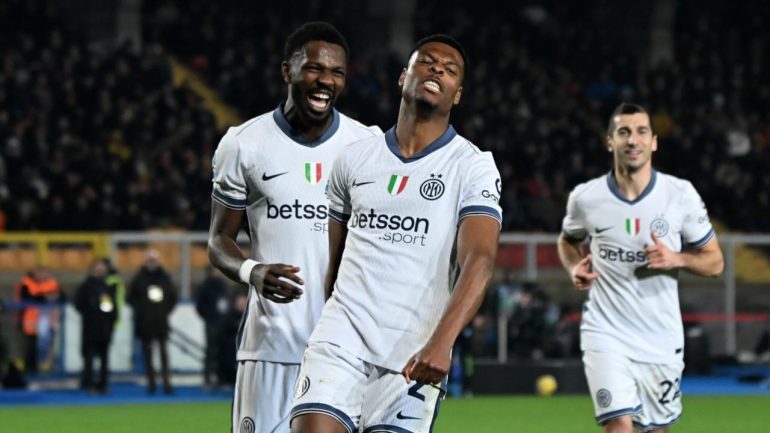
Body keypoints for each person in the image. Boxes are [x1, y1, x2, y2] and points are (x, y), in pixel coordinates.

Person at [291, 34, 502, 433]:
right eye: (427, 61)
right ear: (404, 76)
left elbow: (480, 259)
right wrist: (327, 324)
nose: (437, 69)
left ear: (457, 95)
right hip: (341, 339)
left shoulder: (472, 167)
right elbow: (334, 262)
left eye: (450, 69)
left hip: (416, 353)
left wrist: (443, 342)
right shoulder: (354, 159)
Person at [207, 22, 381, 433]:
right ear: (288, 71)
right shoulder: (244, 143)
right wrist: (252, 271)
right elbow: (218, 240)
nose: (326, 81)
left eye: (337, 73)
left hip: (344, 349)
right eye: (314, 69)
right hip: (271, 346)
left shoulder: (367, 146)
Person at [557, 102, 724, 433]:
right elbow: (567, 240)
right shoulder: (585, 198)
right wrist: (574, 267)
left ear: (653, 142)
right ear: (610, 142)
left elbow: (715, 262)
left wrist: (677, 258)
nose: (632, 140)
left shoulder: (680, 195)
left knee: (654, 430)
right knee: (619, 425)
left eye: (641, 132)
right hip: (605, 331)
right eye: (623, 132)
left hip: (660, 337)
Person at [128, 249, 178, 394]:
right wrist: (142, 310)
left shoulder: (164, 277)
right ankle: (151, 383)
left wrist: (163, 310)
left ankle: (166, 383)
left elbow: (172, 297)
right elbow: (131, 298)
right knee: (148, 355)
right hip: (145, 323)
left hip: (160, 321)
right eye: (150, 260)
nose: (152, 262)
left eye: (154, 260)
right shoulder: (139, 278)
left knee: (163, 355)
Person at [74, 259, 119, 394]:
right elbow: (78, 304)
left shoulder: (108, 287)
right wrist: (90, 314)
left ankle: (103, 384)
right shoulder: (86, 287)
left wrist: (111, 321)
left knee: (104, 358)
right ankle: (89, 384)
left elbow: (113, 307)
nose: (100, 272)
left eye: (102, 269)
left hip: (104, 328)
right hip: (91, 328)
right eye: (98, 269)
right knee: (89, 357)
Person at [14, 267, 60, 374]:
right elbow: (28, 297)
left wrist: (44, 297)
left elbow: (61, 296)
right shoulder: (26, 284)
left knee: (48, 346)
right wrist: (45, 296)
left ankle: (46, 368)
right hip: (30, 322)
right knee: (30, 347)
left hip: (49, 322)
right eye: (39, 272)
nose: (42, 275)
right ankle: (30, 369)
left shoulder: (52, 283)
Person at [194, 265, 230, 388]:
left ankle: (221, 378)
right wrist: (209, 316)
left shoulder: (223, 285)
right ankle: (207, 378)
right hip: (211, 323)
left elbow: (227, 302)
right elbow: (199, 306)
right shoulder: (205, 286)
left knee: (222, 351)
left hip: (223, 323)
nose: (217, 273)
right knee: (210, 350)